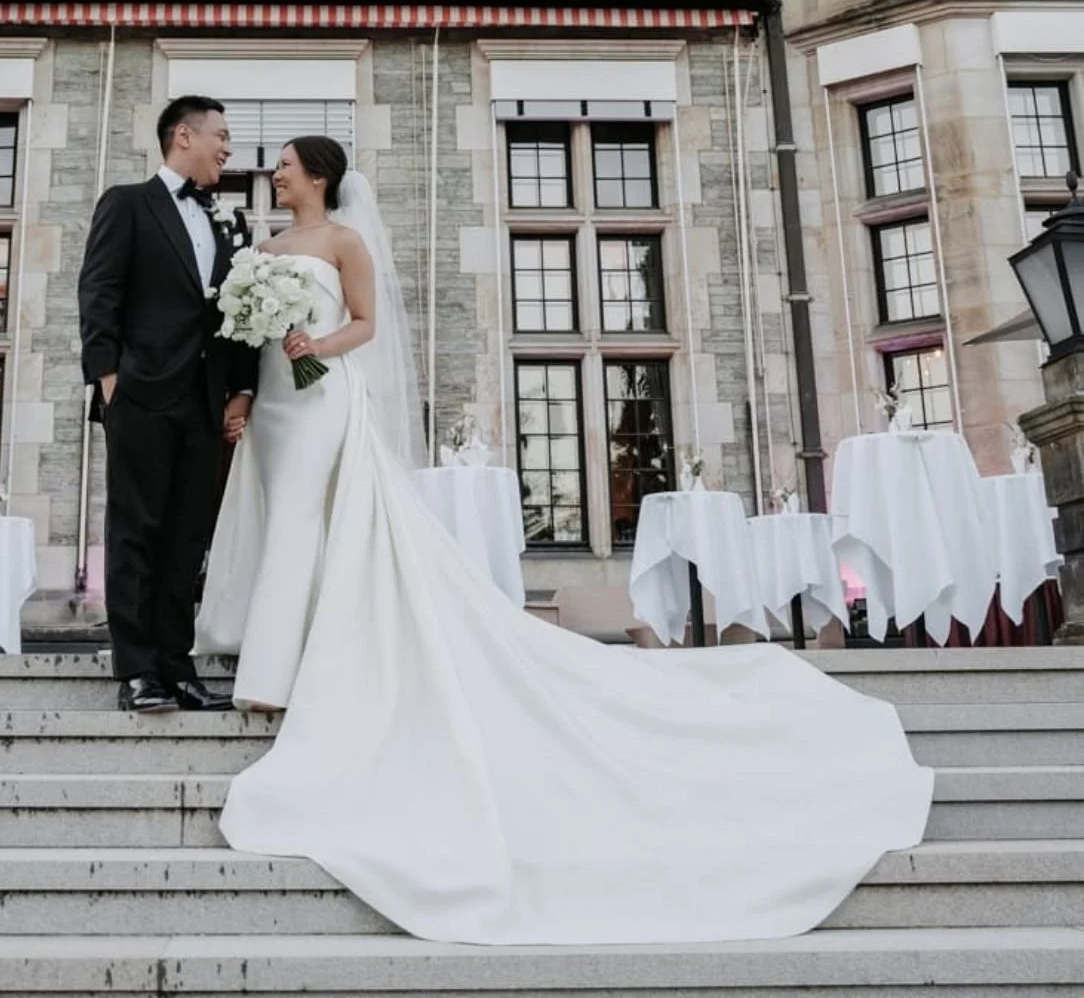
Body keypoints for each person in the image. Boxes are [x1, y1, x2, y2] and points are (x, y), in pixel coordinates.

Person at [198, 135, 935, 949]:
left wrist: (317, 345)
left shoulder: (345, 240)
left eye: (287, 164)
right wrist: (243, 386)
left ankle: (281, 671)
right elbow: (241, 333)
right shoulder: (263, 248)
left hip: (324, 394)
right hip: (272, 401)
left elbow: (366, 325)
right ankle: (280, 647)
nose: (275, 172)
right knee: (284, 518)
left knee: (314, 518)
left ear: (321, 176)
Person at [78, 95, 259, 715]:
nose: (229, 149)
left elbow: (235, 318)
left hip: (204, 405)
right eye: (222, 136)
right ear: (184, 135)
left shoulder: (224, 222)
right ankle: (138, 672)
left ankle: (177, 668)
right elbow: (99, 290)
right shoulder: (128, 203)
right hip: (141, 397)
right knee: (135, 533)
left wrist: (241, 389)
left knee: (187, 539)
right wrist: (108, 379)